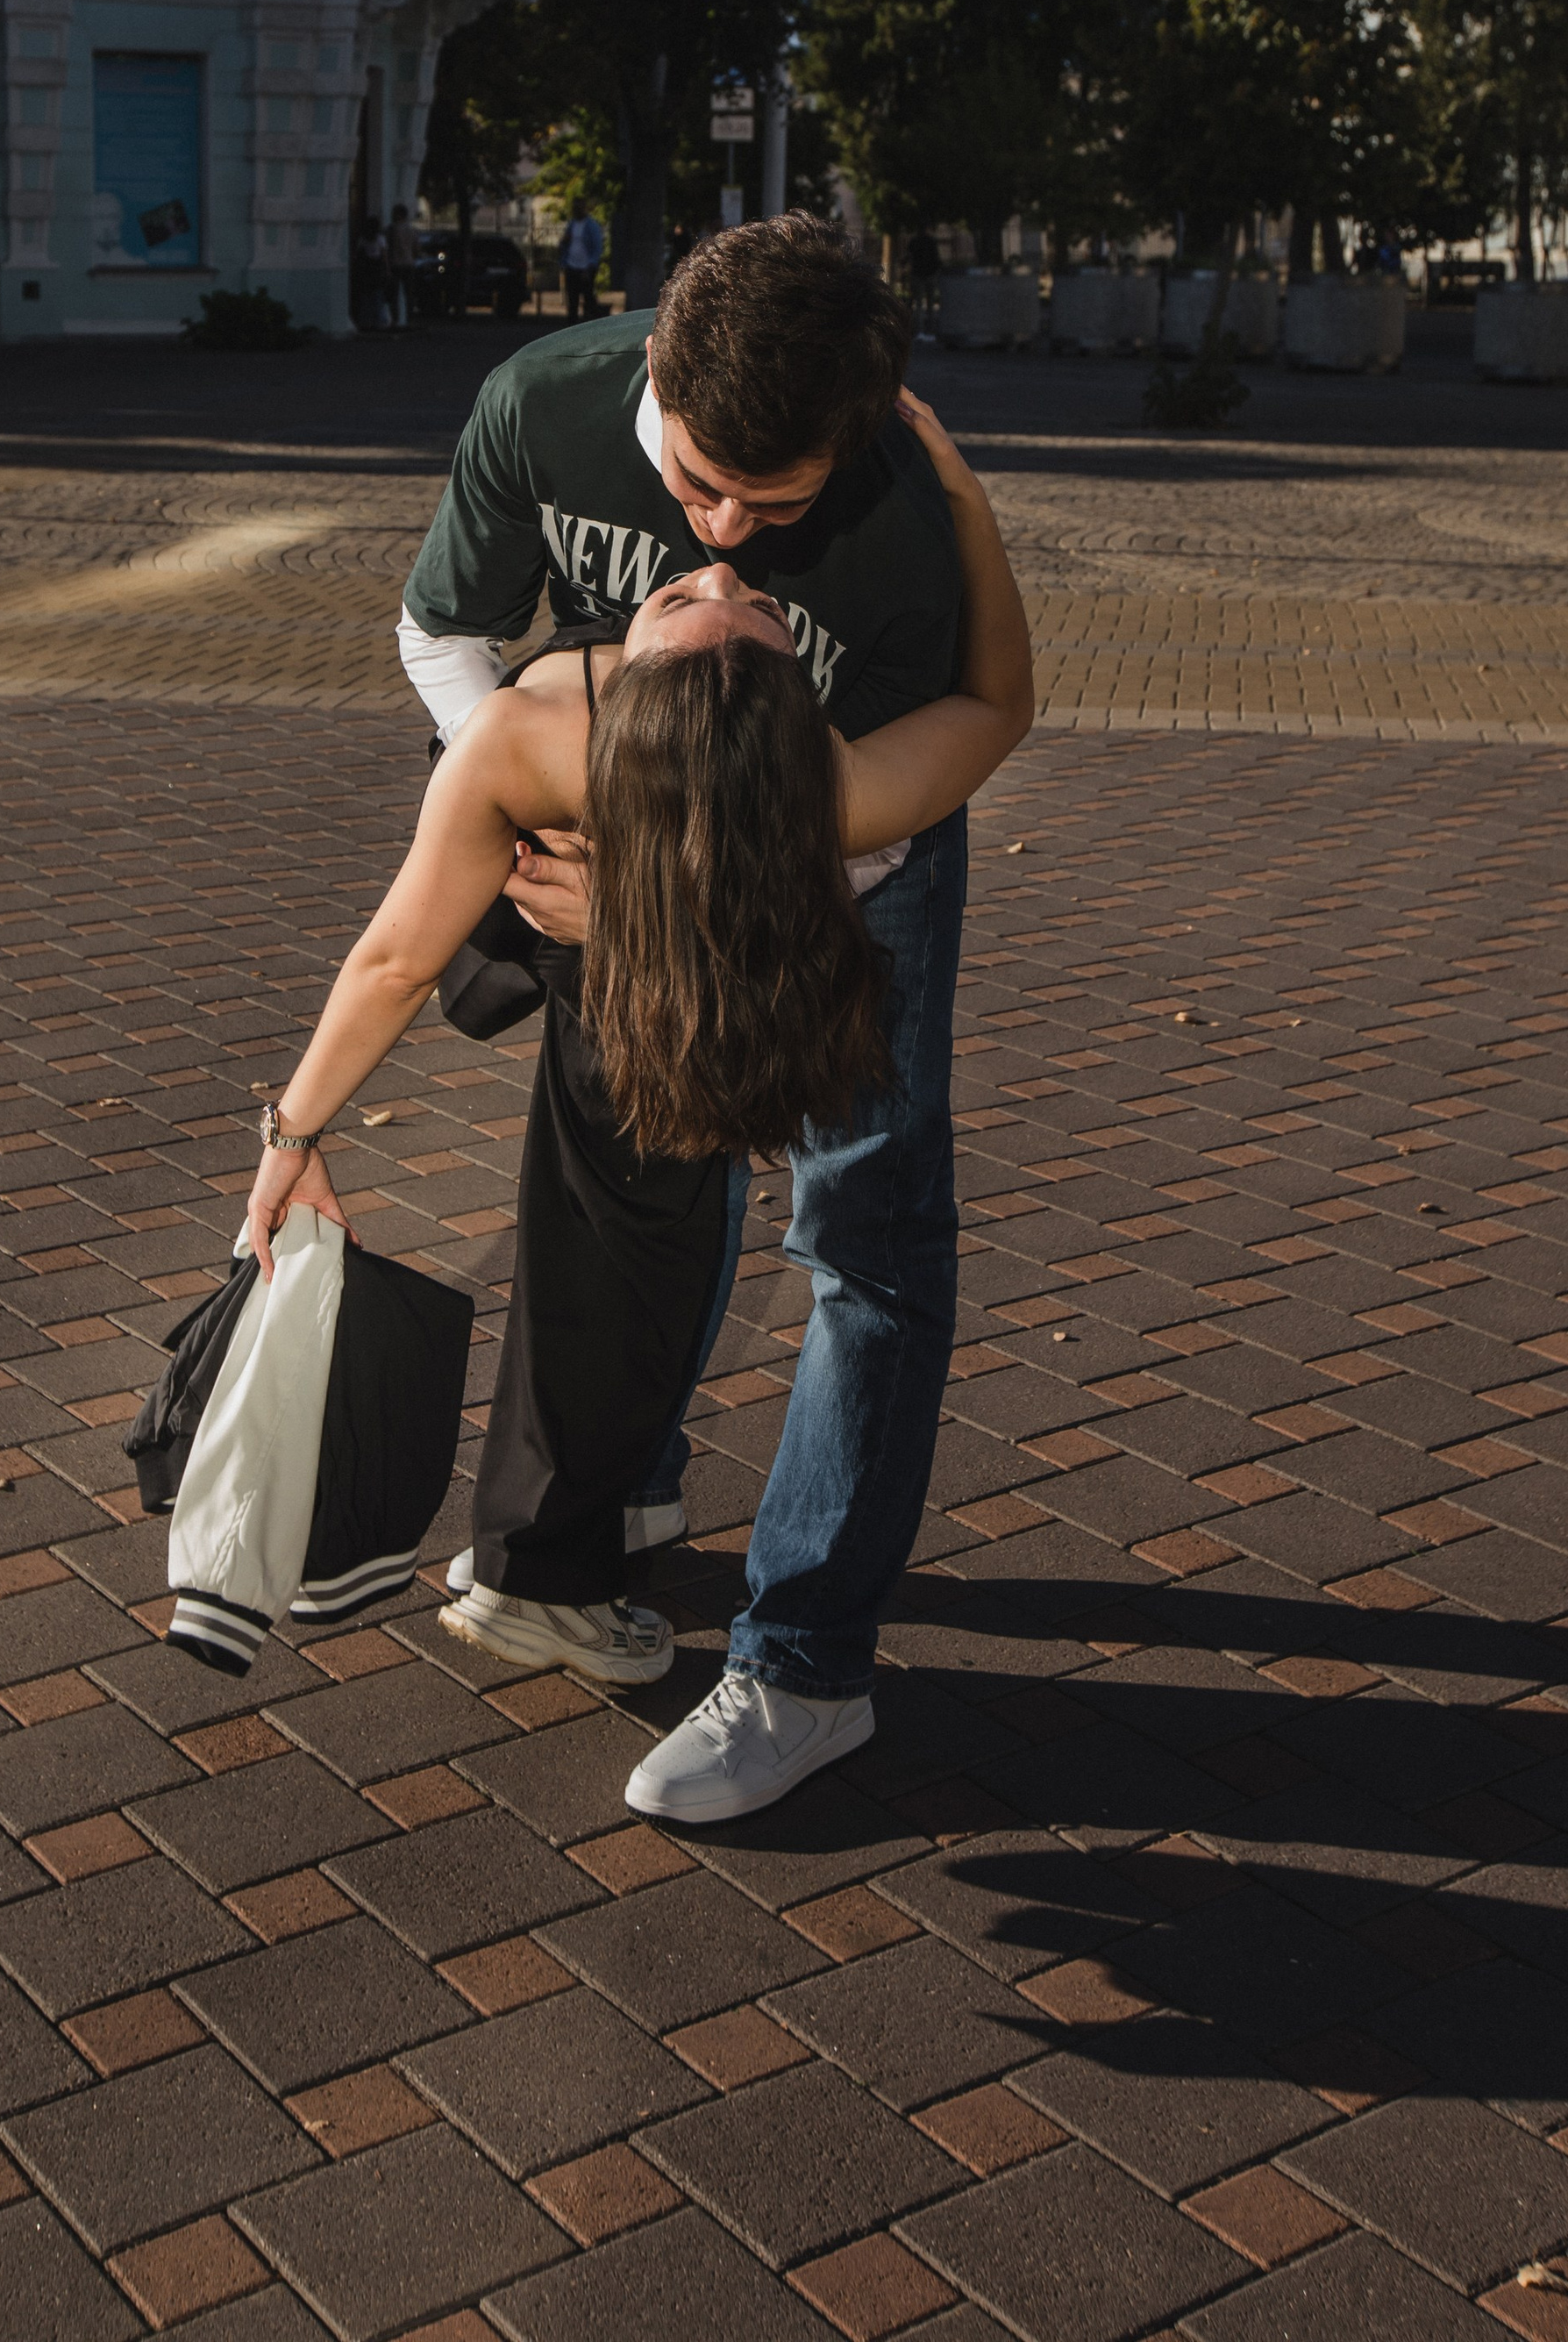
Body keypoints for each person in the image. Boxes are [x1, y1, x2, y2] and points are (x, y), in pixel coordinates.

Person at [246, 392, 1032, 1711]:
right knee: (638, 1218)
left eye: (718, 608)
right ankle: (573, 1530)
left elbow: (394, 957)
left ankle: (593, 1538)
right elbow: (998, 702)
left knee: (668, 1210)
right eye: (732, 602)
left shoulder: (556, 740)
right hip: (672, 942)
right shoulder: (831, 782)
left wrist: (293, 1136)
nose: (721, 568)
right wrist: (961, 487)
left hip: (738, 952)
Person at [392, 216, 983, 1820]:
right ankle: (625, 1493)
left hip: (853, 857)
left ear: (850, 442)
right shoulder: (543, 401)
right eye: (701, 483)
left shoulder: (900, 517)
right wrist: (548, 810)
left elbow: (926, 773)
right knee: (661, 1157)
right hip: (621, 841)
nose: (722, 536)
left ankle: (808, 1669)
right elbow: (440, 632)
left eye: (772, 506)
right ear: (654, 373)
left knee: (865, 1233)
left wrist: (670, 893)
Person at [559, 199, 605, 321]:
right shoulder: (572, 225)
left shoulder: (591, 225)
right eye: (574, 209)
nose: (576, 211)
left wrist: (590, 266)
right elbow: (565, 243)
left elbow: (597, 247)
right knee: (572, 298)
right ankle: (573, 323)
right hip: (571, 266)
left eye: (579, 208)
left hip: (586, 267)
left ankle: (592, 322)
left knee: (588, 296)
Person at [353, 212, 391, 332]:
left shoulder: (363, 239)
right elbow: (384, 256)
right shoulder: (380, 239)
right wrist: (387, 270)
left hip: (366, 269)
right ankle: (380, 322)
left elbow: (358, 254)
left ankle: (365, 321)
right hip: (377, 269)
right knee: (378, 296)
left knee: (365, 297)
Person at [388, 203, 417, 329]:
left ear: (398, 215)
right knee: (409, 293)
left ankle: (395, 320)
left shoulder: (392, 229)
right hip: (409, 263)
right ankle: (409, 320)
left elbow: (388, 247)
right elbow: (416, 248)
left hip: (395, 264)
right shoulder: (412, 230)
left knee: (393, 294)